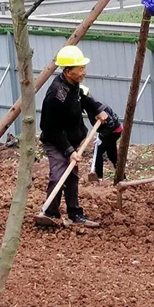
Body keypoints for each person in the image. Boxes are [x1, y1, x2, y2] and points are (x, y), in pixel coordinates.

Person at [38, 45, 108, 228]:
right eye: (81, 69)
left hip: (72, 138)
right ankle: (50, 214)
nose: (84, 72)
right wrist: (69, 151)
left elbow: (83, 99)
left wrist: (97, 109)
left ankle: (75, 214)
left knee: (72, 177)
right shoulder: (56, 96)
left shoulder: (73, 85)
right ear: (68, 72)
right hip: (55, 141)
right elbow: (49, 128)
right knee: (58, 175)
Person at [80, 85, 122, 181]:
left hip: (113, 132)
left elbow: (110, 123)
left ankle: (99, 178)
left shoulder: (96, 108)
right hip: (111, 132)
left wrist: (102, 136)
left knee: (98, 152)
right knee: (112, 156)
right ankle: (122, 177)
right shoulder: (91, 108)